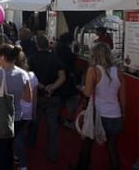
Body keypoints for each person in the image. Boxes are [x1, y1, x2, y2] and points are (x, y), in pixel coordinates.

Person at [72, 42, 125, 170]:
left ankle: (82, 167)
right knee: (111, 146)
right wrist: (123, 114)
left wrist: (81, 88)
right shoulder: (118, 72)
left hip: (98, 114)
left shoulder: (93, 70)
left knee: (87, 144)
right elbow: (123, 99)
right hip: (115, 114)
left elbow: (88, 93)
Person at [0, 44, 31, 170]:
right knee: (11, 149)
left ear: (3, 57)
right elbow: (28, 98)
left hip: (1, 117)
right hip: (16, 116)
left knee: (1, 152)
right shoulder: (23, 74)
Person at [27, 35, 66, 163]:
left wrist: (42, 86)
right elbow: (62, 77)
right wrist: (52, 87)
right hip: (53, 96)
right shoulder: (55, 58)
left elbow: (29, 76)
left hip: (38, 95)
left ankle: (31, 144)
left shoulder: (32, 58)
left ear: (37, 45)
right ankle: (52, 153)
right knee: (52, 126)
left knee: (34, 121)